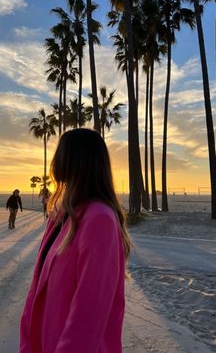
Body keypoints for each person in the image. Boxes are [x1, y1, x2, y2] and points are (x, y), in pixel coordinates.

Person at [19, 128, 131, 353]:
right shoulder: (61, 216)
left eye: (60, 153)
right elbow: (37, 288)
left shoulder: (99, 219)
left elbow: (88, 313)